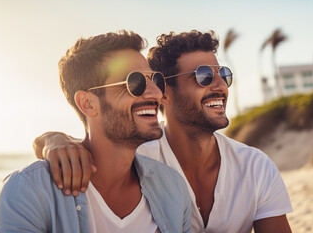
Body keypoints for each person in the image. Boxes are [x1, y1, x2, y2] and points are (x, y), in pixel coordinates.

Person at [34, 30, 293, 233]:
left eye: (222, 74)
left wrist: (51, 140)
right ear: (164, 93)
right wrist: (52, 140)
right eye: (203, 76)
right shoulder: (136, 162)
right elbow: (91, 148)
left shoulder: (255, 166)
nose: (220, 86)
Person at [0, 31, 192, 233]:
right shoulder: (28, 192)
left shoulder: (173, 189)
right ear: (87, 104)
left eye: (155, 80)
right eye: (136, 82)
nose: (157, 93)